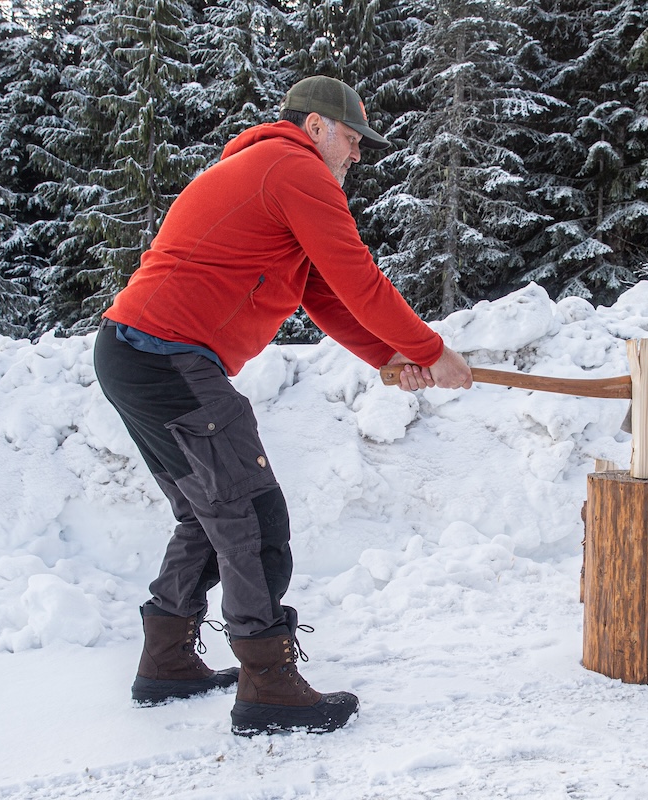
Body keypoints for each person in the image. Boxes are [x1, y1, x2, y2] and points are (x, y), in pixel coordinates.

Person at [92, 75, 473, 736]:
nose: (357, 155)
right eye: (353, 139)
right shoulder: (292, 167)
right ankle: (268, 684)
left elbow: (324, 296)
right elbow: (358, 275)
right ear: (318, 126)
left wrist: (390, 358)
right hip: (167, 357)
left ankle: (167, 662)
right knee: (253, 513)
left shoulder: (266, 169)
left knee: (212, 515)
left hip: (136, 354)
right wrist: (431, 347)